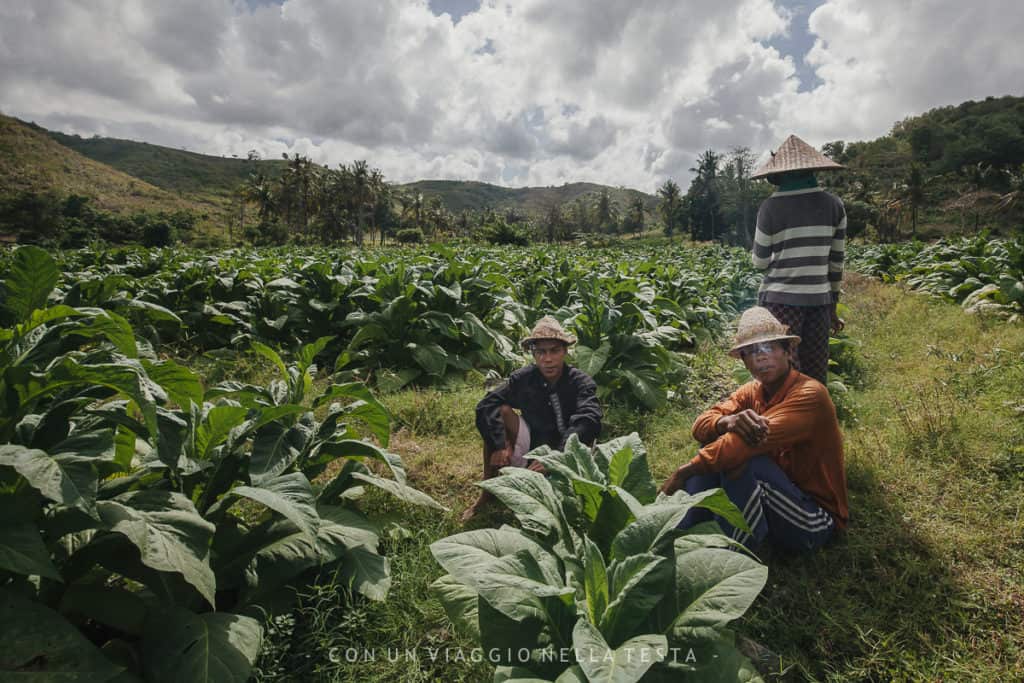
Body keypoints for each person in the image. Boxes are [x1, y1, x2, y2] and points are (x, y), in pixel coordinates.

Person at [660, 306, 848, 553]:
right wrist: (725, 422)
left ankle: (735, 554)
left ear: (788, 352)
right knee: (713, 444)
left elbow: (741, 447)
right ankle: (672, 532)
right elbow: (702, 424)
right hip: (779, 497)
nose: (761, 357)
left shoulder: (810, 394)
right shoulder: (751, 392)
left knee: (740, 458)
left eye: (769, 347)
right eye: (751, 351)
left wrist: (683, 472)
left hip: (815, 519)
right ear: (745, 362)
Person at [462, 316, 603, 522]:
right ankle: (486, 494)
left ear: (564, 351)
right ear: (533, 354)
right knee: (499, 411)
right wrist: (500, 444)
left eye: (554, 350)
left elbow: (588, 419)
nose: (548, 359)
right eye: (541, 352)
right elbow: (487, 404)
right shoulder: (524, 378)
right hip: (531, 449)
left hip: (567, 453)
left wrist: (555, 457)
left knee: (560, 506)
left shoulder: (580, 382)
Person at [750, 134, 847, 385]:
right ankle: (814, 419)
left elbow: (759, 262)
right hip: (819, 300)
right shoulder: (834, 205)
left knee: (782, 372)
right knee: (815, 372)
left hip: (780, 302)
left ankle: (784, 422)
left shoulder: (769, 208)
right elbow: (836, 263)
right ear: (812, 169)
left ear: (779, 174)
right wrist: (832, 306)